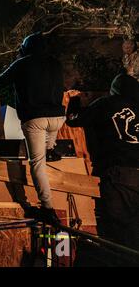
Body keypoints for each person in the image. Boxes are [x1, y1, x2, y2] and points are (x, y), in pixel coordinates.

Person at [0, 32, 65, 225]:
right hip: (58, 118)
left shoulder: (22, 63)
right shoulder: (55, 63)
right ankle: (51, 147)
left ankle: (47, 208)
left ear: (25, 49)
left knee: (37, 164)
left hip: (36, 119)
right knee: (46, 147)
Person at [66, 74, 139, 257]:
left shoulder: (105, 104)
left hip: (118, 173)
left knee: (114, 230)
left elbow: (74, 119)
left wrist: (75, 99)